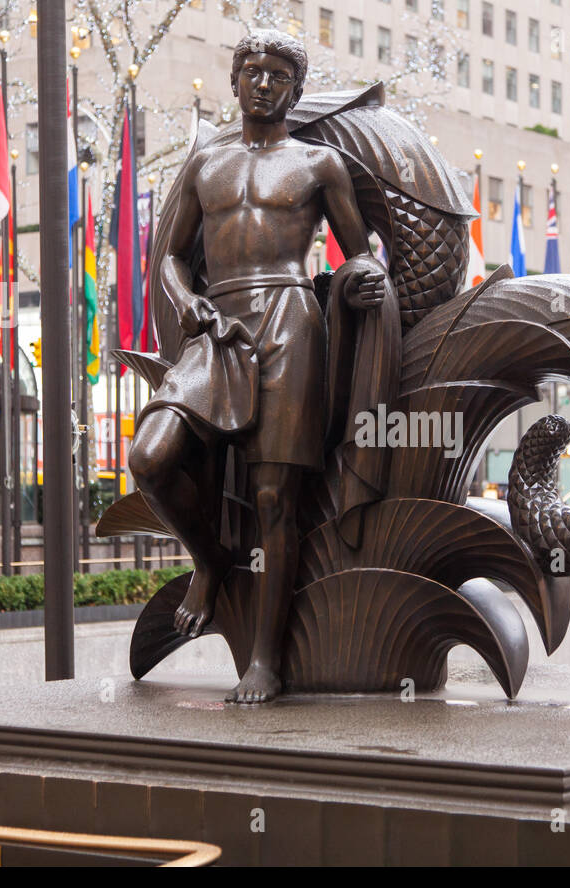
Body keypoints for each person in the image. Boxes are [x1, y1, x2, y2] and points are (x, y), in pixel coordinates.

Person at [128, 30, 388, 703]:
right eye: (253, 72)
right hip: (216, 329)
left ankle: (265, 661)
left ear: (296, 92)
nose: (264, 84)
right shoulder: (204, 166)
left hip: (291, 321)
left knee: (276, 498)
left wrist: (364, 278)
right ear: (235, 82)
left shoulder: (319, 164)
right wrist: (186, 304)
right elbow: (170, 257)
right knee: (151, 458)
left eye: (278, 76)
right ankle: (211, 561)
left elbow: (360, 252)